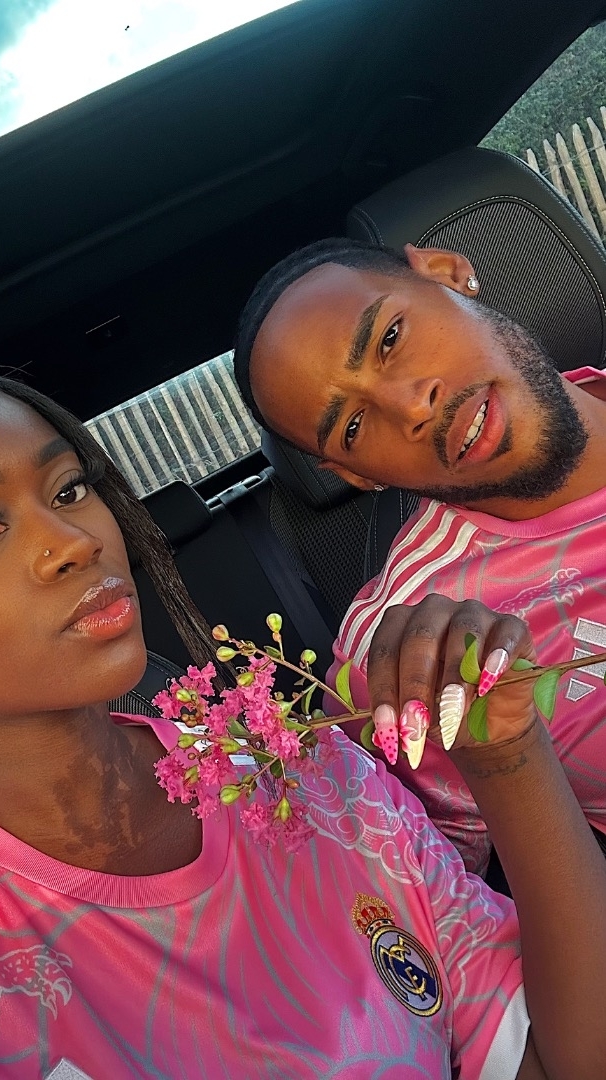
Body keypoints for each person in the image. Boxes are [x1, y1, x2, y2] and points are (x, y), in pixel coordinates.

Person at [0, 355, 605, 1080]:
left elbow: (562, 1058)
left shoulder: (312, 775)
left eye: (69, 489)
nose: (73, 541)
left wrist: (506, 754)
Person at [232, 236, 606, 879]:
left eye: (390, 338)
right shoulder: (412, 655)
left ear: (447, 272)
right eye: (352, 427)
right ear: (356, 474)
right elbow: (426, 910)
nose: (411, 406)